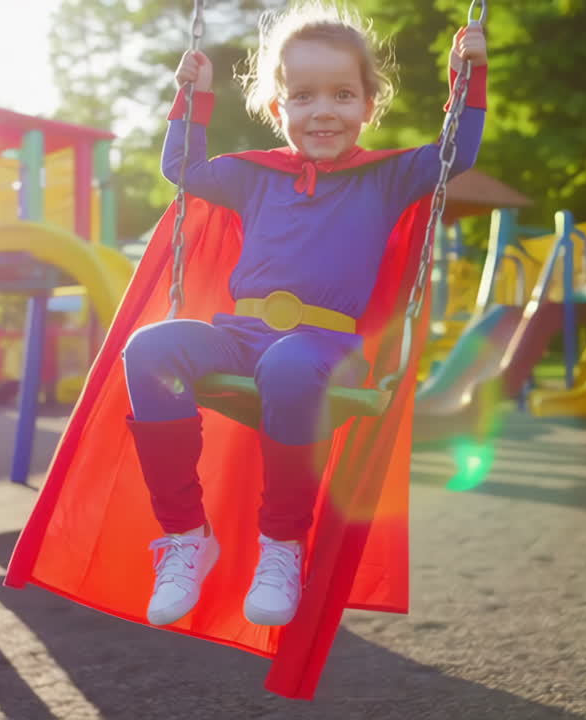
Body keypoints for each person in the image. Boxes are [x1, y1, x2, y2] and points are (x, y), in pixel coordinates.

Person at [120, 3, 487, 629]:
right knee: (150, 350)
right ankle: (186, 535)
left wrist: (469, 77)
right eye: (305, 96)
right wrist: (194, 97)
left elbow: (455, 155)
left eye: (344, 95)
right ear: (278, 109)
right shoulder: (255, 177)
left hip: (325, 346)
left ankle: (282, 543)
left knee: (290, 365)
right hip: (241, 337)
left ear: (369, 105)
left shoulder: (386, 178)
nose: (324, 110)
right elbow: (181, 169)